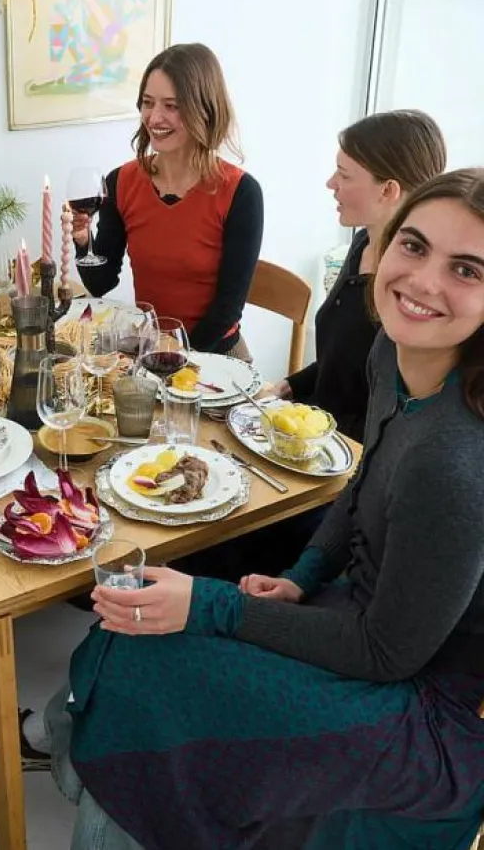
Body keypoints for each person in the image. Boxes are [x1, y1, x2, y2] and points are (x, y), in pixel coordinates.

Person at [46, 168, 484, 850]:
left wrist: (213, 605)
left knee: (147, 658)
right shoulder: (393, 356)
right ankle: (90, 768)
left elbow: (386, 652)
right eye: (415, 246)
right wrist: (304, 573)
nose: (424, 281)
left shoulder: (454, 458)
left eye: (466, 269)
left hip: (424, 711)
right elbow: (362, 484)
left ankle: (91, 774)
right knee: (135, 628)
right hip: (355, 615)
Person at [72, 43, 263, 357]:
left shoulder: (241, 193)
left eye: (172, 106)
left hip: (214, 357)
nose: (155, 118)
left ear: (204, 109)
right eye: (148, 103)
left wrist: (176, 355)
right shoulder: (121, 182)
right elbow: (101, 283)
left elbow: (228, 308)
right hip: (150, 351)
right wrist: (83, 242)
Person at [270, 109, 446, 442]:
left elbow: (386, 413)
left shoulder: (412, 290)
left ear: (388, 190)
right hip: (315, 431)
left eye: (344, 175)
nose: (331, 183)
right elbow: (340, 361)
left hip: (347, 450)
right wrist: (290, 386)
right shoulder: (362, 243)